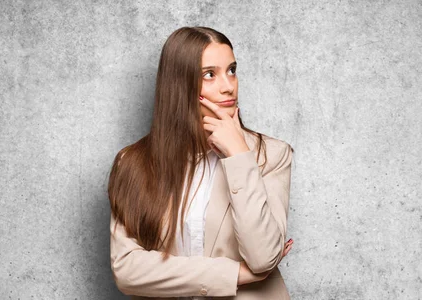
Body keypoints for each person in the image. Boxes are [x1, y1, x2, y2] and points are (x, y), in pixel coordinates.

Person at [108, 26, 295, 299]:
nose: (228, 85)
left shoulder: (272, 155)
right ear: (179, 86)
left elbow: (263, 257)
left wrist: (239, 156)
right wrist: (234, 275)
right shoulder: (133, 162)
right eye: (210, 74)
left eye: (232, 70)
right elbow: (127, 270)